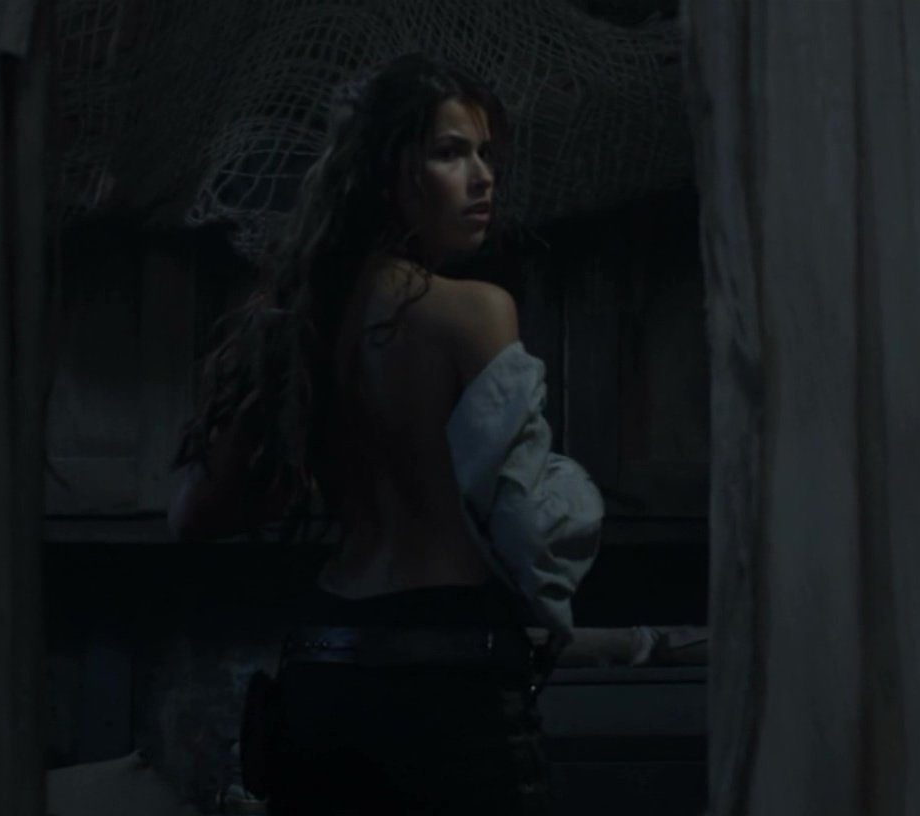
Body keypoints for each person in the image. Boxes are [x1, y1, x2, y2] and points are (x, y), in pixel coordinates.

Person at [167, 53, 603, 815]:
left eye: (485, 154)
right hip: (450, 677)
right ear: (383, 173)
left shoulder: (295, 322)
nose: (482, 177)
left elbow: (193, 515)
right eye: (450, 153)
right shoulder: (476, 311)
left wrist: (323, 467)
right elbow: (529, 527)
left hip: (323, 667)